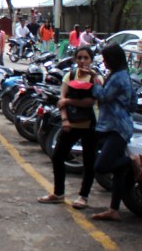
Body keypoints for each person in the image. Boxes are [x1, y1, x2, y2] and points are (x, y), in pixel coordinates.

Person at [39, 45, 102, 208]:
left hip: (90, 126)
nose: (82, 61)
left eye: (86, 57)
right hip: (71, 124)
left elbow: (91, 101)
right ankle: (58, 193)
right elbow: (61, 100)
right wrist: (65, 119)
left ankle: (83, 196)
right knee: (58, 156)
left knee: (89, 161)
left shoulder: (96, 79)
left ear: (91, 59)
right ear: (75, 59)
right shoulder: (70, 75)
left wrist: (69, 101)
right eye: (79, 57)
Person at [90, 43, 139, 221]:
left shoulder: (118, 78)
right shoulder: (124, 75)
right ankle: (114, 209)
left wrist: (96, 83)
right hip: (122, 125)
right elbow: (133, 102)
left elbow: (103, 96)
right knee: (118, 172)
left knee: (101, 166)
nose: (104, 62)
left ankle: (132, 160)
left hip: (116, 127)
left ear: (113, 59)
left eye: (106, 59)